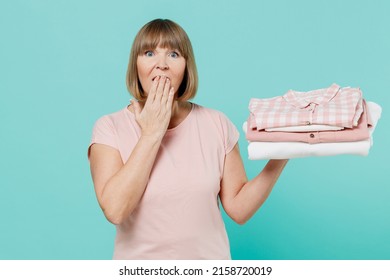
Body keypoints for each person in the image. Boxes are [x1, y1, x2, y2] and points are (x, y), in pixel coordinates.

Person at [88, 18, 288, 260]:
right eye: (149, 53)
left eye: (173, 54)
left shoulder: (217, 124)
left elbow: (239, 209)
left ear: (185, 67)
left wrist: (283, 152)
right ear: (136, 65)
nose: (161, 64)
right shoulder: (109, 127)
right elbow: (115, 210)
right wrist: (152, 132)